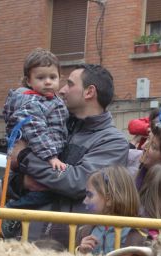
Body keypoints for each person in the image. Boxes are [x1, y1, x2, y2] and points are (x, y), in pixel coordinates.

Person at [12, 63, 129, 244]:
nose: (62, 90)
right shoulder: (55, 124)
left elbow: (78, 182)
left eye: (70, 84)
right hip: (29, 236)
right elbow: (16, 176)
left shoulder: (113, 142)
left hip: (69, 245)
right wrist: (20, 181)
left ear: (89, 92)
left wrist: (24, 158)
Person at [3, 49, 69, 212]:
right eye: (41, 78)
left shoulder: (50, 100)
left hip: (41, 154)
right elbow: (35, 130)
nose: (48, 82)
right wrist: (51, 156)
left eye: (52, 77)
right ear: (29, 81)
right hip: (37, 154)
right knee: (43, 192)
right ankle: (11, 213)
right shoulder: (31, 102)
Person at [75, 166, 146, 256]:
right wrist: (81, 252)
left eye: (90, 195)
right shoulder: (85, 231)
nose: (84, 201)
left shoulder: (137, 235)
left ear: (109, 199)